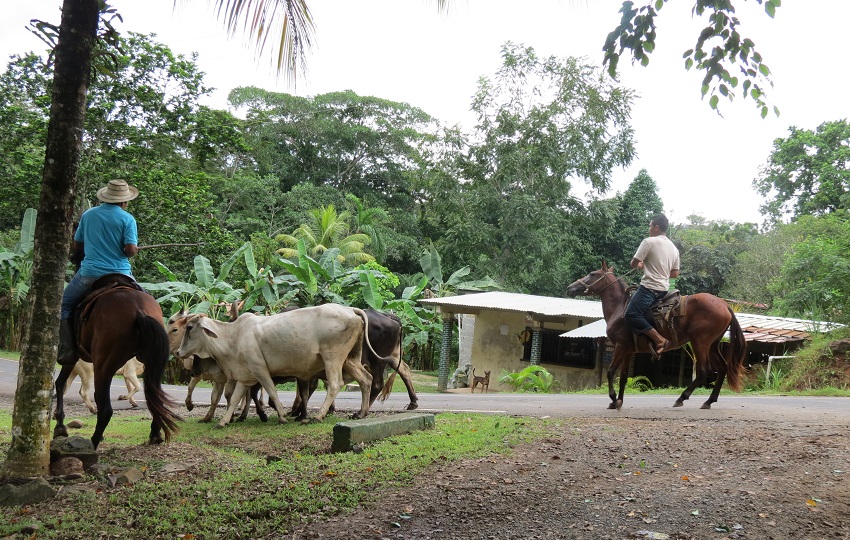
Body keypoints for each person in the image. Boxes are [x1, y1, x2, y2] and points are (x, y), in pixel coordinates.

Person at [58, 179, 140, 364]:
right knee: (148, 304)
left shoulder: (88, 215)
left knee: (63, 305)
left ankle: (69, 349)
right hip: (122, 274)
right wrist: (134, 249)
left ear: (106, 197)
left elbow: (77, 244)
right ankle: (144, 348)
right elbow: (130, 250)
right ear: (124, 201)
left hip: (90, 273)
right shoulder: (128, 219)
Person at [624, 214, 680, 357]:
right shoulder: (674, 248)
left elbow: (633, 263)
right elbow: (675, 273)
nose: (649, 229)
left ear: (656, 227)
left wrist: (641, 265)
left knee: (631, 314)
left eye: (650, 226)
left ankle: (660, 340)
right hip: (664, 290)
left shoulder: (649, 242)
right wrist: (660, 272)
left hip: (649, 288)